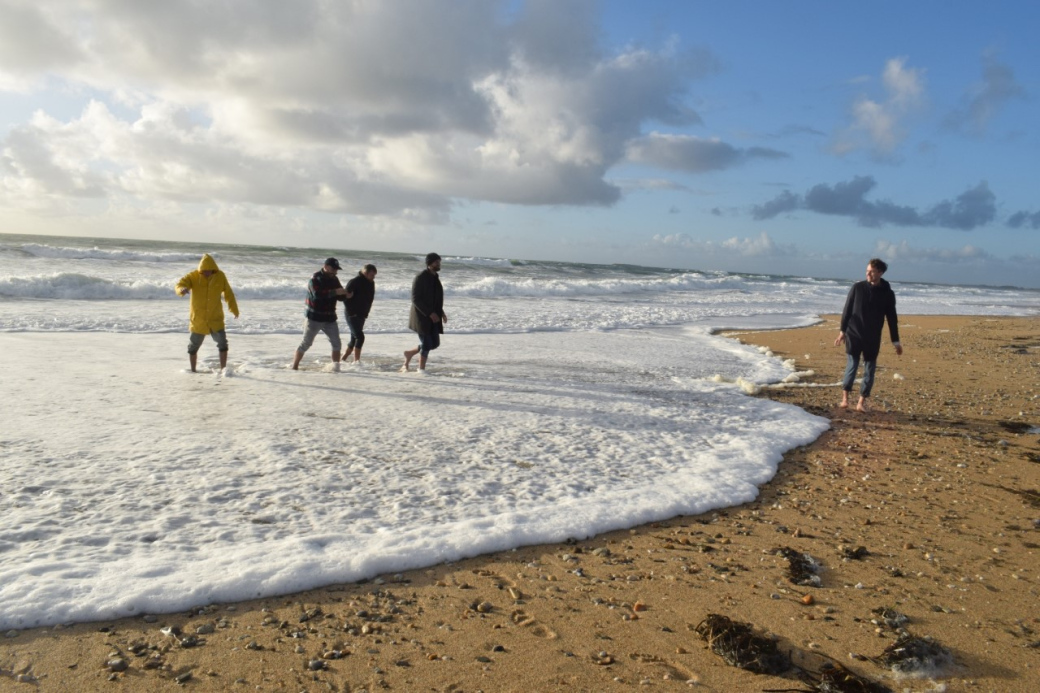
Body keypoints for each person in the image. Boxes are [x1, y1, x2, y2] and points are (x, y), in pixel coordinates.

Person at [834, 258, 903, 411]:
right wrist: (842, 332)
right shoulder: (857, 288)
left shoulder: (888, 294)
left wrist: (896, 341)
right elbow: (847, 311)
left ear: (880, 272)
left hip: (872, 337)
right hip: (854, 333)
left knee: (869, 370)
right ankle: (845, 399)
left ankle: (861, 402)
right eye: (867, 271)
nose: (868, 273)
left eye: (871, 271)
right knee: (852, 365)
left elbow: (892, 318)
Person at [175, 253, 239, 373]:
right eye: (204, 271)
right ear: (200, 270)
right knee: (193, 347)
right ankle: (193, 370)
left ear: (213, 269)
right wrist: (182, 290)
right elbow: (180, 284)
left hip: (215, 318)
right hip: (198, 319)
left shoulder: (220, 276)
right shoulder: (193, 276)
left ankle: (223, 369)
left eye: (209, 271)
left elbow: (228, 294)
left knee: (223, 343)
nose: (206, 273)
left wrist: (234, 309)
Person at [291, 258, 349, 371]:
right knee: (306, 343)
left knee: (336, 343)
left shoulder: (334, 278)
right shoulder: (315, 278)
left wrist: (345, 294)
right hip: (314, 317)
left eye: (337, 269)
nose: (335, 272)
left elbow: (339, 296)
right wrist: (335, 292)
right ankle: (294, 366)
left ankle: (335, 368)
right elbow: (317, 295)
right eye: (333, 269)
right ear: (326, 266)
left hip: (330, 317)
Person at [403, 253, 446, 372]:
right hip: (421, 316)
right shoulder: (420, 277)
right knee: (427, 343)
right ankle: (421, 370)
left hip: (434, 317)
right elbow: (415, 298)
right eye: (436, 262)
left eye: (439, 262)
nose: (439, 264)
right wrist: (430, 313)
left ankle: (410, 353)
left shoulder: (436, 278)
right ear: (430, 263)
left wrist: (441, 312)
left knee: (435, 343)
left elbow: (436, 299)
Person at [342, 264, 377, 363]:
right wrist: (351, 313)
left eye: (374, 275)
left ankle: (342, 359)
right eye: (372, 275)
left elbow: (370, 299)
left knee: (354, 339)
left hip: (362, 314)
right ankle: (356, 362)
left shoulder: (371, 283)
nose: (373, 277)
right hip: (352, 314)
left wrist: (366, 312)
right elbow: (344, 298)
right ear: (365, 273)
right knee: (360, 337)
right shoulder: (354, 282)